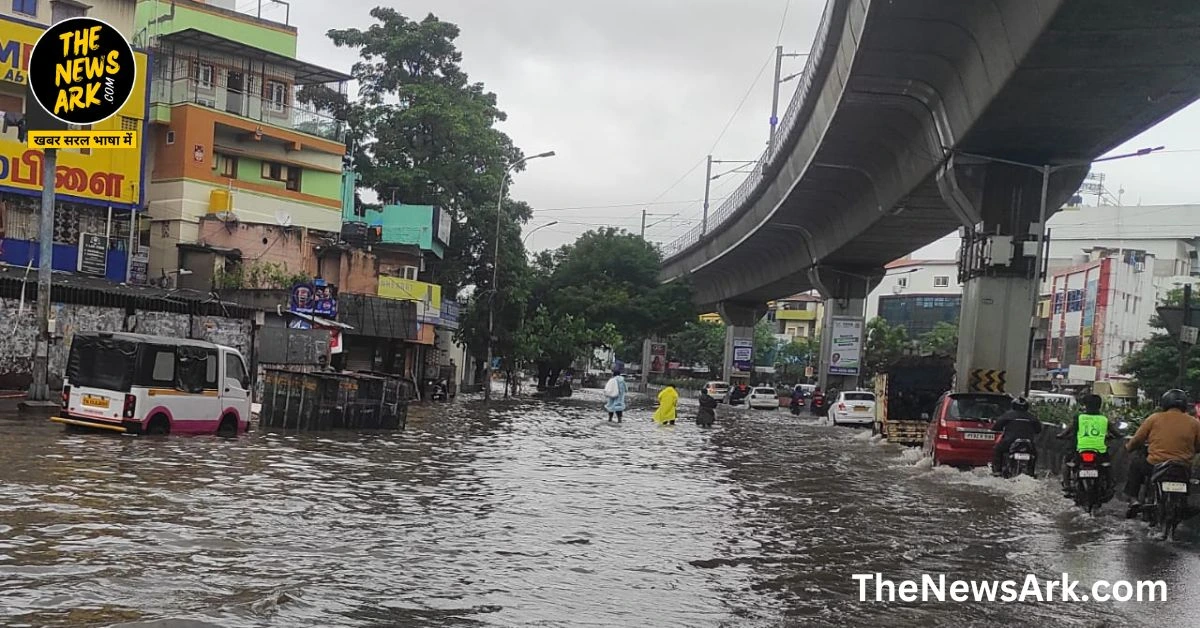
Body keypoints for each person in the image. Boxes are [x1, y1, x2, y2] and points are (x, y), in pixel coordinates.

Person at [1122, 389, 1200, 518]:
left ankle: (1134, 499)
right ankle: (1183, 502)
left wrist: (1129, 447)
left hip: (1155, 466)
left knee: (1136, 463)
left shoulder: (1154, 418)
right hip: (1182, 468)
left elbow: (1137, 439)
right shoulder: (1194, 423)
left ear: (1165, 403)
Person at [1056, 394, 1122, 496]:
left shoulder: (1079, 418)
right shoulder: (1104, 419)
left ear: (1085, 405)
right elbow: (1117, 434)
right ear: (1099, 406)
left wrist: (1060, 436)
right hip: (1100, 451)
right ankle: (1110, 485)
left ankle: (1067, 485)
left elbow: (1066, 432)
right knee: (1107, 466)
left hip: (1080, 449)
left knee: (1067, 462)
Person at [990, 396, 1042, 475]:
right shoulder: (1032, 417)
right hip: (1028, 443)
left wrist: (995, 429)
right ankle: (1031, 472)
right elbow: (1038, 430)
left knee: (998, 449)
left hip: (1009, 442)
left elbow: (996, 426)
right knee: (1034, 454)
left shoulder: (1008, 415)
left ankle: (997, 471)